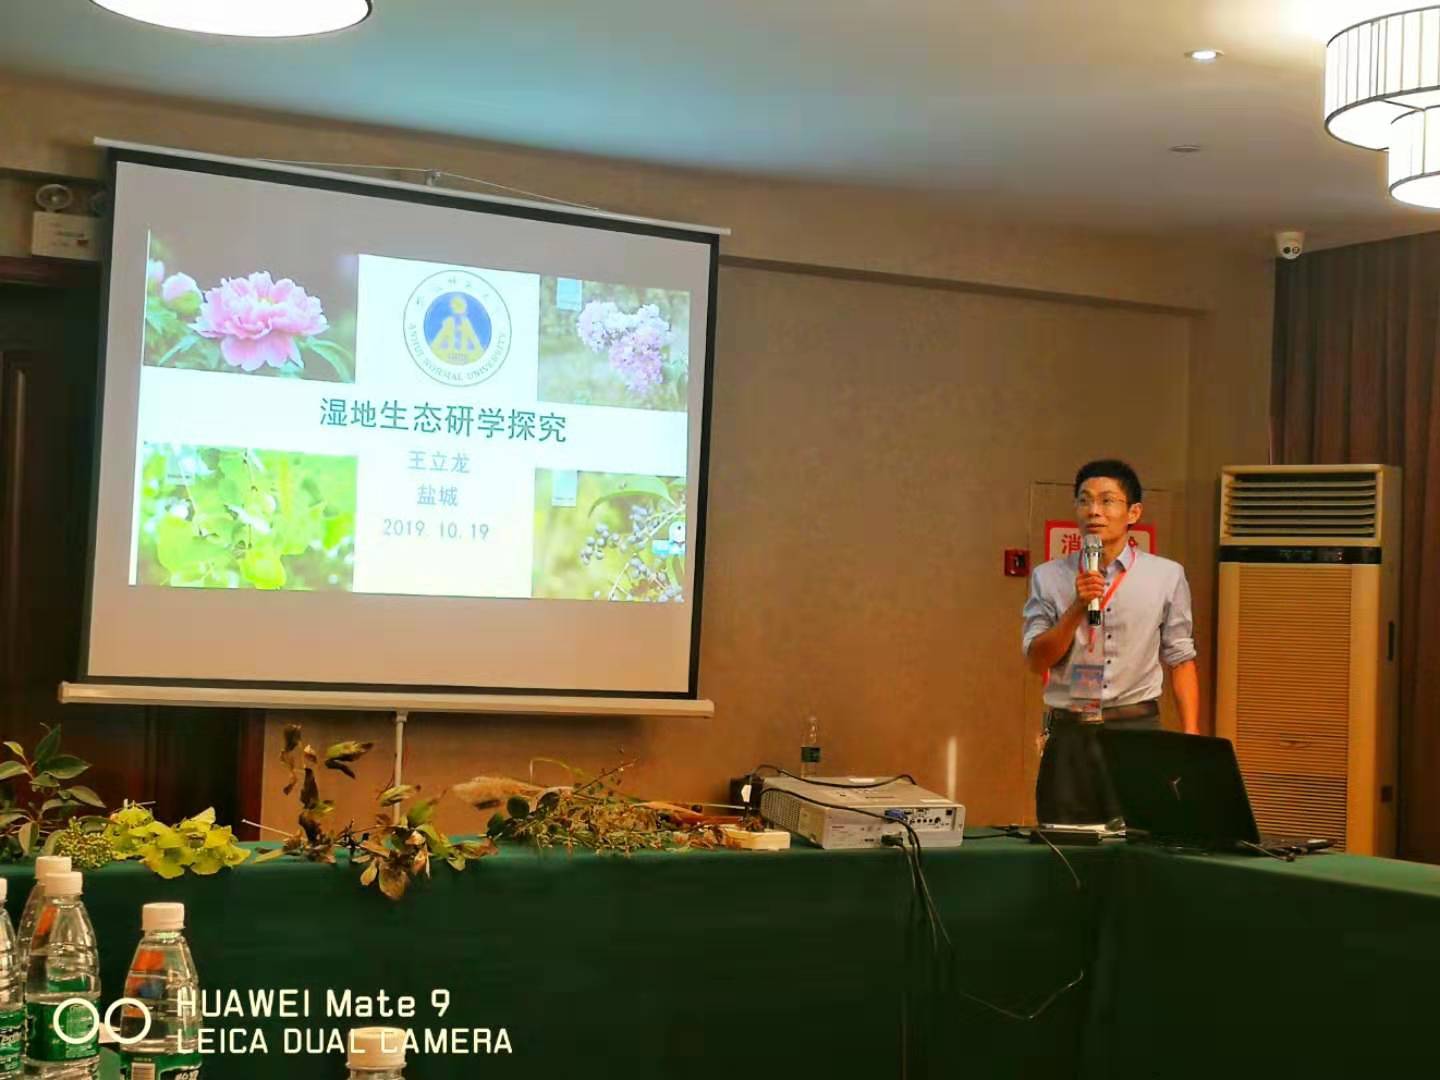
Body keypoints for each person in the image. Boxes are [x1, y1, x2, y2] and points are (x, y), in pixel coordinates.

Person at [1022, 459, 1199, 826]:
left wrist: (1191, 736)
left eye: (1107, 500)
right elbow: (1037, 661)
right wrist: (1077, 606)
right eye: (1084, 500)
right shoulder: (1048, 576)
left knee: (1140, 840)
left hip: (1136, 732)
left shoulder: (1166, 575)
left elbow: (1181, 658)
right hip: (1070, 735)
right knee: (1065, 842)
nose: (1094, 511)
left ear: (1133, 513)